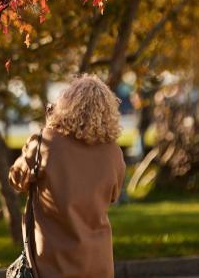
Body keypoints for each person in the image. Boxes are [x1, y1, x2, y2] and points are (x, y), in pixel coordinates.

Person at [8, 75, 126, 278]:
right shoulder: (113, 152)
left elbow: (16, 179)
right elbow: (113, 196)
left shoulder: (47, 142)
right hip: (98, 260)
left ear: (66, 104)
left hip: (53, 260)